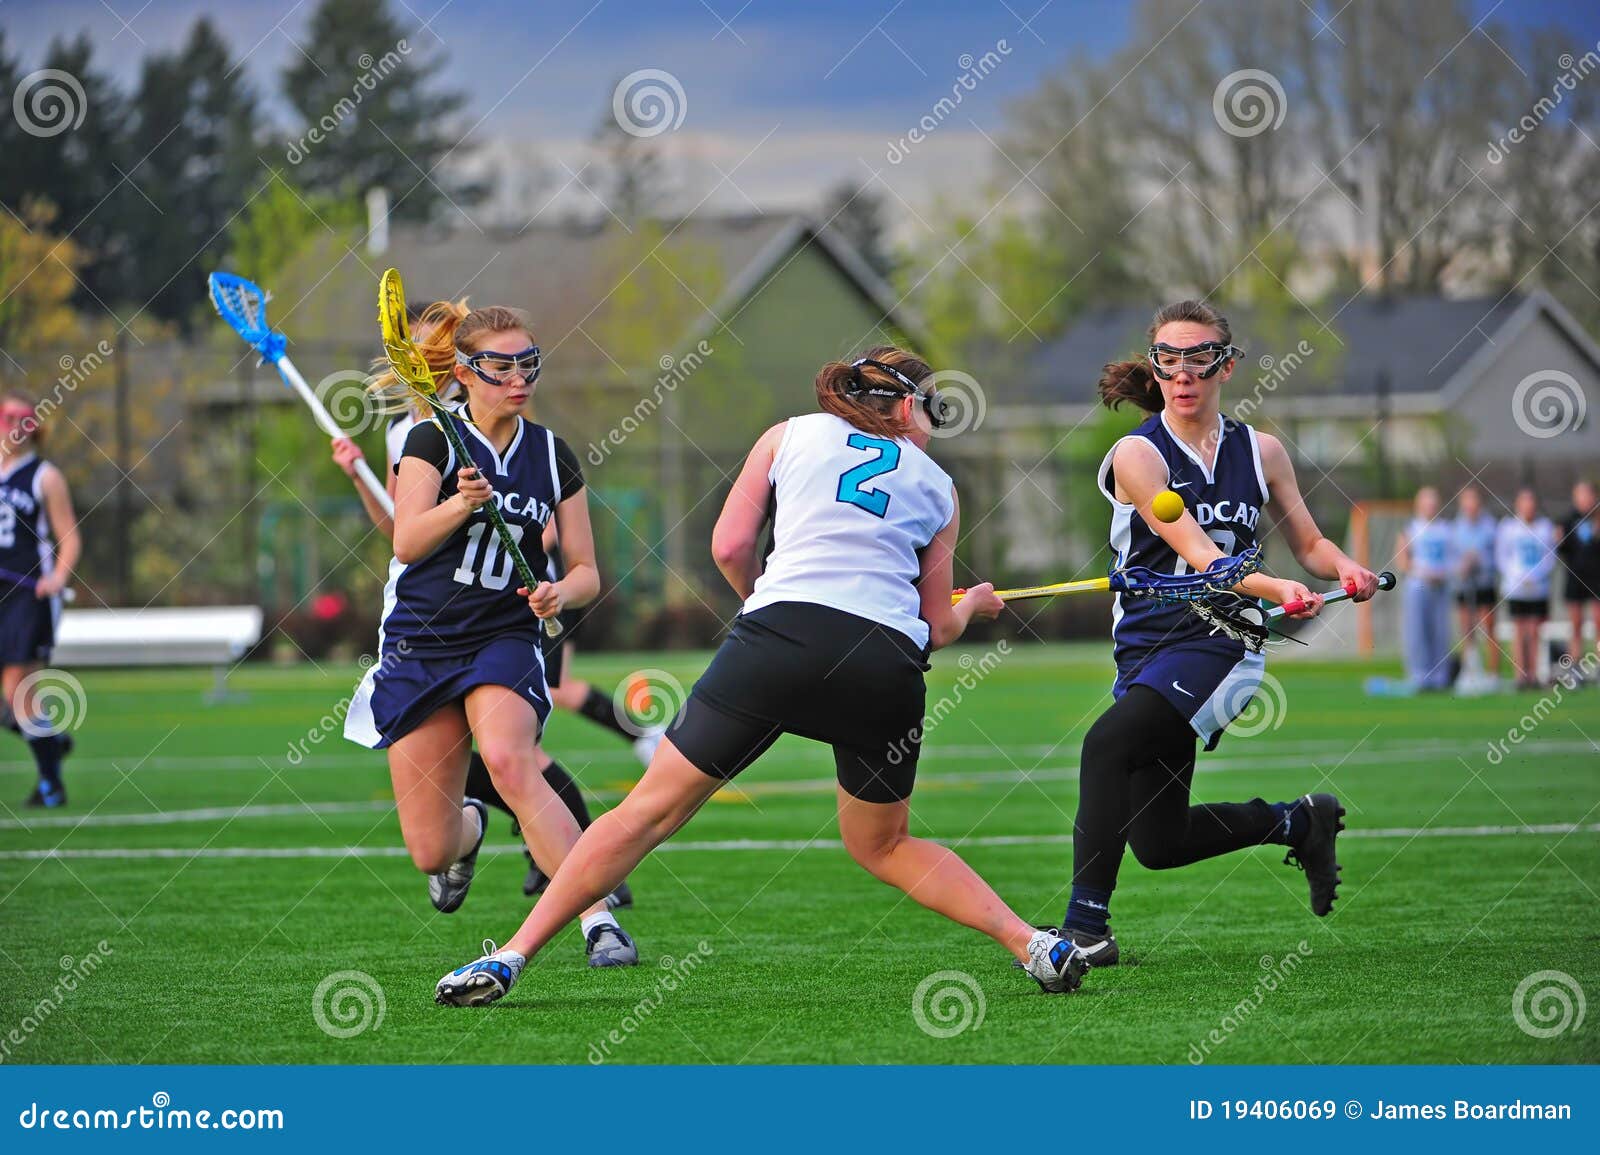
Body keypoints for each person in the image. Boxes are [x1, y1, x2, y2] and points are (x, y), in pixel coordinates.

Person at [434, 346, 1092, 1005]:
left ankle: (512, 956)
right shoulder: (939, 488)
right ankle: (1032, 943)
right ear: (904, 405)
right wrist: (972, 605)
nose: (931, 425)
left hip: (775, 642)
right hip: (883, 664)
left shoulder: (787, 434)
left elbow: (727, 546)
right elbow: (936, 627)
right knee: (885, 845)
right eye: (931, 410)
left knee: (645, 814)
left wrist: (768, 605)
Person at [1057, 300, 1378, 966]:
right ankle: (1299, 820)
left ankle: (1085, 930)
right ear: (1156, 367)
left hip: (1220, 641)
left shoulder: (1261, 451)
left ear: (1226, 364)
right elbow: (1205, 557)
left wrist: (1345, 568)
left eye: (1198, 357)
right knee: (1160, 842)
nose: (1183, 373)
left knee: (1104, 747)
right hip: (1145, 647)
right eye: (1167, 359)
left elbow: (1310, 541)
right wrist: (1275, 586)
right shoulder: (1136, 455)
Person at [342, 303, 637, 967]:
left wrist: (561, 591)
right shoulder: (431, 442)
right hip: (422, 643)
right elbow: (408, 541)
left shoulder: (552, 454)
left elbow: (588, 569)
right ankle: (470, 837)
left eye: (528, 363)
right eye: (501, 366)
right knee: (430, 848)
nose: (518, 377)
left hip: (502, 636)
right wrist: (460, 503)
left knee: (509, 759)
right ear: (466, 373)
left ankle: (596, 918)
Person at [0, 395, 79, 809]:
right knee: (11, 701)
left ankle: (51, 784)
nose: (16, 425)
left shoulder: (44, 476)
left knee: (19, 688)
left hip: (28, 593)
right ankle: (52, 740)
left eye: (25, 419)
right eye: (9, 417)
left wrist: (58, 577)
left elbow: (69, 536)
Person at [1395, 486, 1457, 691]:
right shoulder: (1411, 528)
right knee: (1417, 631)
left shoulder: (1446, 530)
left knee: (1440, 631)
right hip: (1418, 586)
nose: (1430, 506)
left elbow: (1453, 558)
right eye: (1426, 502)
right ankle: (1419, 676)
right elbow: (1403, 560)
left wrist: (1444, 573)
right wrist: (1422, 572)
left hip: (1441, 586)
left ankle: (1440, 677)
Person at [1496, 488, 1557, 690]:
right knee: (1519, 630)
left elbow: (1550, 556)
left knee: (1534, 630)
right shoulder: (1509, 527)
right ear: (1518, 505)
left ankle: (1533, 674)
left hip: (1538, 588)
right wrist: (1517, 576)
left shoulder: (1544, 526)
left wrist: (1536, 576)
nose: (1528, 506)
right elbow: (1502, 557)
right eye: (1524, 502)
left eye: (1531, 502)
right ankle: (1520, 675)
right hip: (1516, 588)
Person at [1452, 485, 1502, 684]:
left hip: (1484, 583)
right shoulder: (1456, 527)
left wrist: (1478, 560)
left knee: (1489, 628)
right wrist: (1462, 564)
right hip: (1464, 585)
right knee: (1467, 629)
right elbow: (1453, 556)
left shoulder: (1490, 526)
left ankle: (1493, 674)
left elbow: (1496, 555)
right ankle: (1469, 672)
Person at [1556, 479, 1599, 679]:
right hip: (1574, 578)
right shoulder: (1568, 520)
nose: (1583, 499)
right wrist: (1558, 539)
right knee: (1576, 625)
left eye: (1586, 494)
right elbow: (1562, 549)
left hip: (1597, 579)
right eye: (1579, 495)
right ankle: (1575, 668)